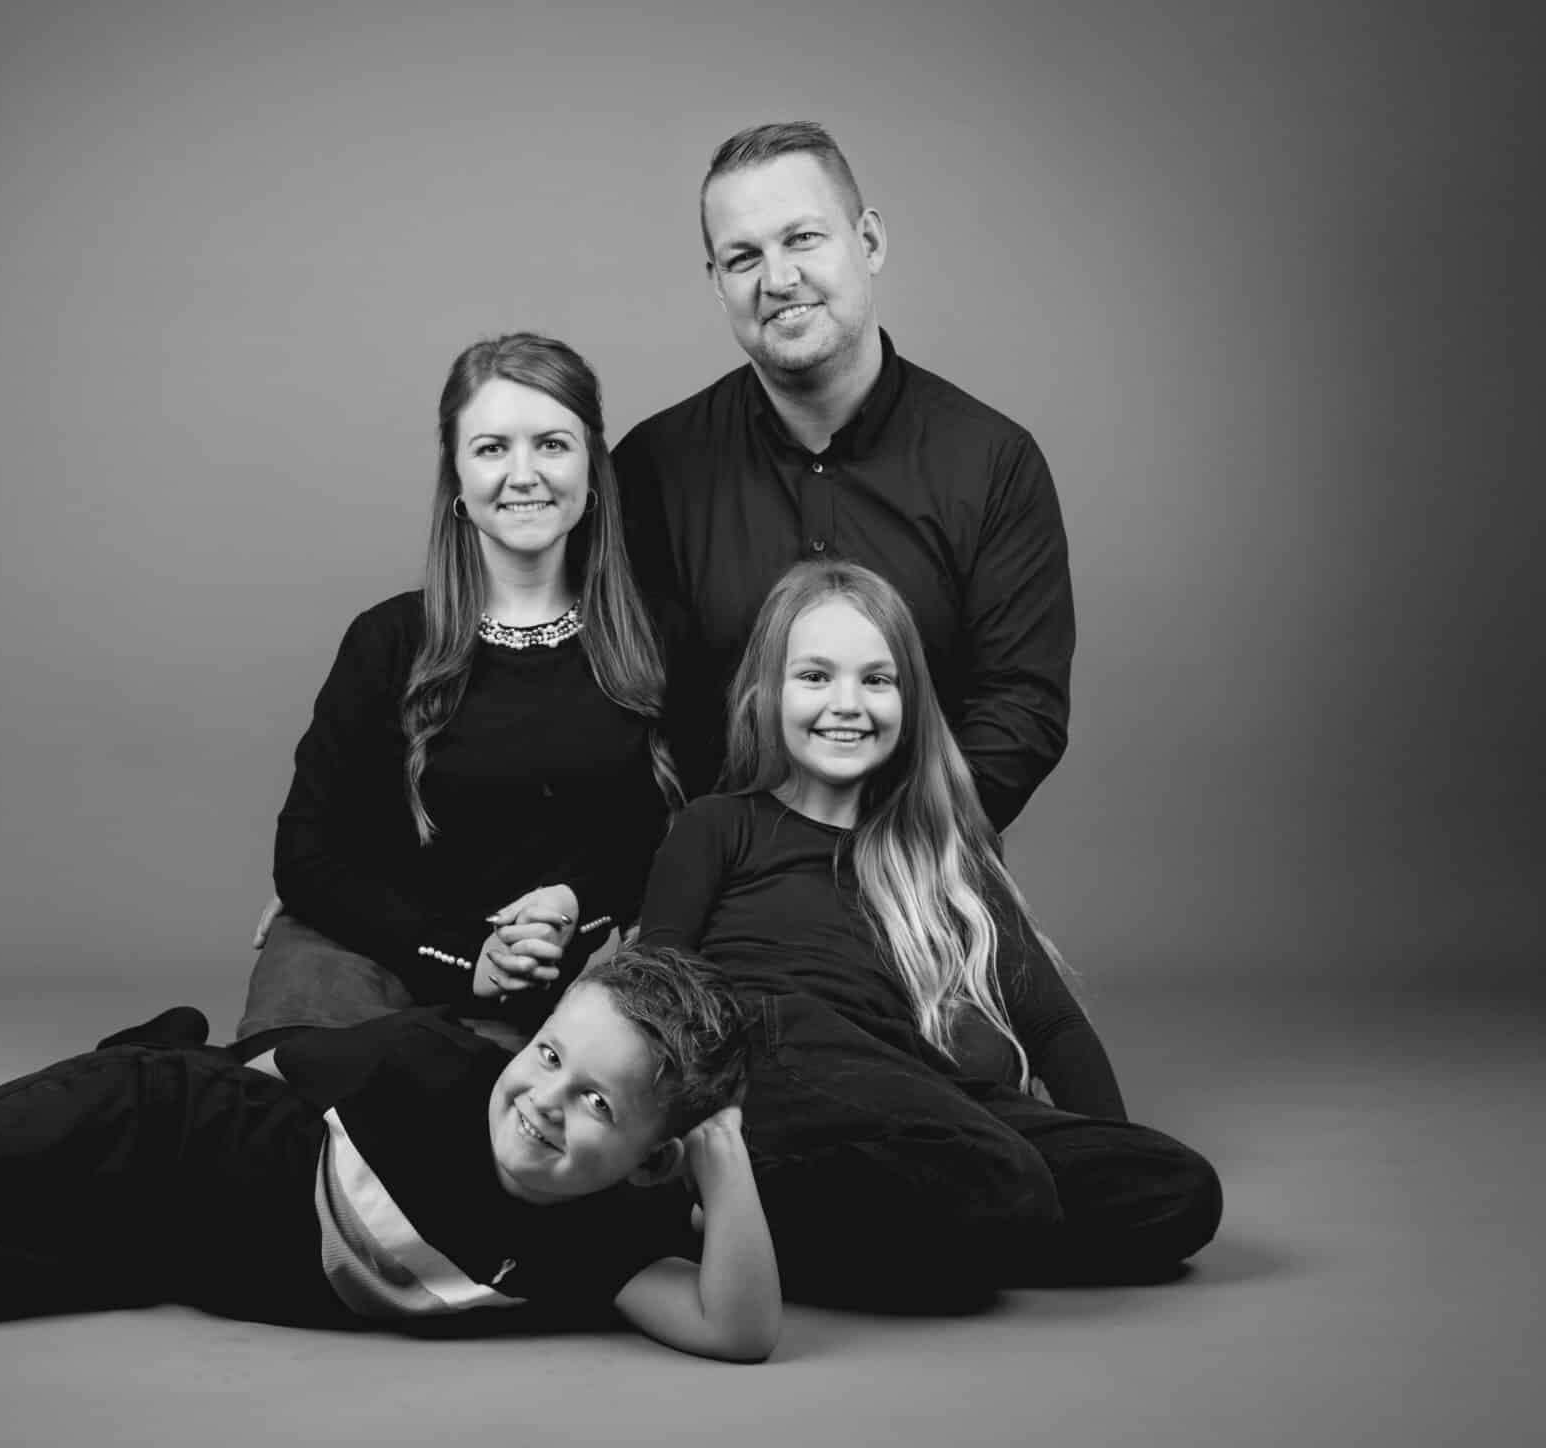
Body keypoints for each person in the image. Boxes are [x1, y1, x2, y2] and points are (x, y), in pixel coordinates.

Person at [0, 948, 781, 1362]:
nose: (542, 1100)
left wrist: (722, 1153)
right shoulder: (430, 1063)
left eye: (595, 1102)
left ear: (651, 1155)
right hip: (166, 1120)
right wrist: (173, 1067)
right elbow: (270, 1063)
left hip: (163, 1242)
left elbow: (737, 1328)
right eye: (546, 1053)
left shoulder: (606, 1244)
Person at [637, 561, 1220, 1308]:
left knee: (1178, 1188)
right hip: (768, 1047)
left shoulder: (947, 856)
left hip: (909, 1091)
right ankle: (742, 1209)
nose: (847, 704)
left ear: (910, 702)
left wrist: (1101, 1147)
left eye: (877, 680)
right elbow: (654, 988)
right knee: (1000, 1179)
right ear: (766, 693)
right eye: (815, 676)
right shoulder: (721, 825)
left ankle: (803, 1227)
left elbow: (1054, 1027)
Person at [236, 333, 693, 1059]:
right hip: (377, 957)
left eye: (552, 444)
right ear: (456, 472)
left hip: (561, 977)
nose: (523, 474)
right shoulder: (388, 640)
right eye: (491, 448)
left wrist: (580, 905)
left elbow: (698, 834)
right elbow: (306, 854)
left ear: (592, 467)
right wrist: (460, 956)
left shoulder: (662, 638)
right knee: (284, 1103)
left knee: (473, 1112)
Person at [614, 121, 1073, 831]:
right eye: (743, 257)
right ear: (717, 284)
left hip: (921, 872)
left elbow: (1022, 709)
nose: (778, 280)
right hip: (715, 883)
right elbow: (627, 709)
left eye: (802, 238)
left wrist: (890, 853)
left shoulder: (992, 462)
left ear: (870, 242)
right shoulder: (651, 469)